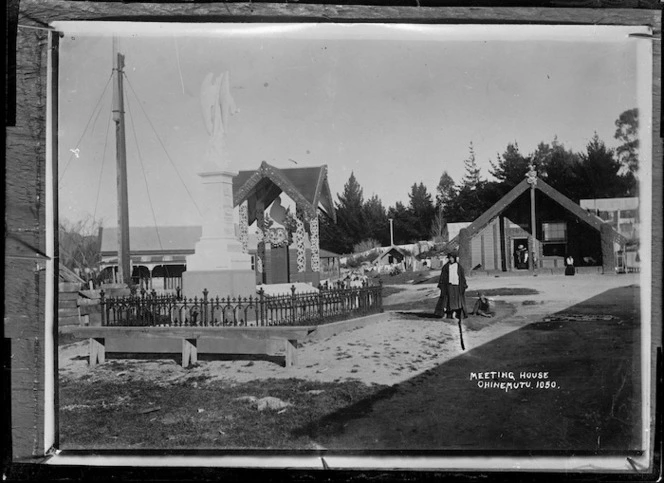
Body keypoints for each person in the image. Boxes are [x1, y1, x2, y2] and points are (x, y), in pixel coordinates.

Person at [434, 252, 468, 321]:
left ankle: (454, 314)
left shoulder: (459, 267)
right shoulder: (446, 267)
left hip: (456, 286)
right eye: (450, 258)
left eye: (452, 258)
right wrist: (441, 285)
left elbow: (462, 277)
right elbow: (443, 277)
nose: (451, 259)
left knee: (455, 301)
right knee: (447, 301)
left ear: (455, 258)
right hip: (449, 286)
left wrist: (464, 285)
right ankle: (446, 313)